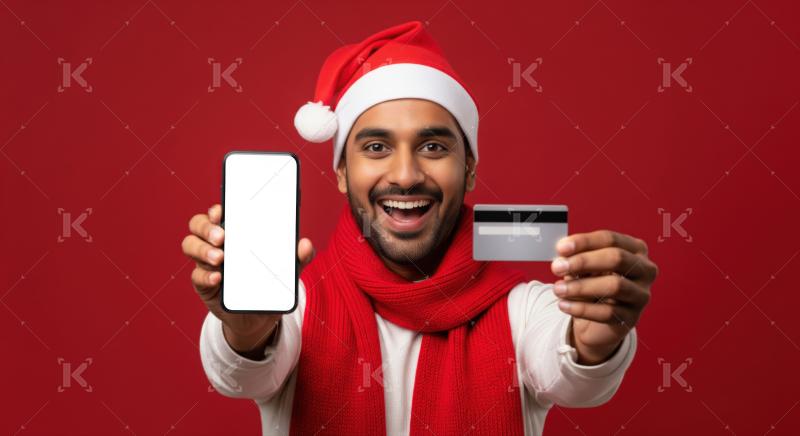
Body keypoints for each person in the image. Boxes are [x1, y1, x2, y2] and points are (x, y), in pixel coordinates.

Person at [181, 20, 658, 436]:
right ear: (342, 171)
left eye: (433, 147)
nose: (406, 175)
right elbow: (243, 376)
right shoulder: (296, 306)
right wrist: (244, 330)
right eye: (375, 148)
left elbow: (570, 376)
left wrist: (594, 340)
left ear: (469, 168)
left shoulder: (524, 309)